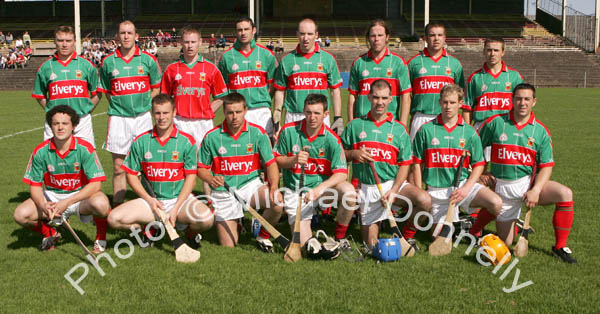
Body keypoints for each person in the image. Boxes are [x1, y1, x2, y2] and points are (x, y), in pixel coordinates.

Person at [476, 83, 576, 263]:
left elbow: (546, 166)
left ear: (534, 102)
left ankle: (560, 246)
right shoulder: (496, 123)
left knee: (565, 194)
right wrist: (482, 172)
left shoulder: (540, 131)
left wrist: (536, 190)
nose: (522, 103)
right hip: (501, 188)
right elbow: (475, 146)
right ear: (512, 100)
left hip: (527, 185)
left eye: (527, 99)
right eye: (519, 98)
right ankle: (474, 228)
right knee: (506, 244)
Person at [108, 94, 214, 248]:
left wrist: (177, 207)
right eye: (157, 113)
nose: (162, 117)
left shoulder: (186, 141)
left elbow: (191, 178)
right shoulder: (141, 141)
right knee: (113, 219)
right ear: (152, 113)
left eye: (166, 113)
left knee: (207, 219)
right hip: (151, 201)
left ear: (174, 113)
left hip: (179, 200)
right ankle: (150, 228)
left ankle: (189, 233)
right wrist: (149, 200)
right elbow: (131, 174)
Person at [342, 80, 431, 249]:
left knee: (424, 200)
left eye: (384, 98)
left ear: (391, 99)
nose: (380, 102)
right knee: (372, 245)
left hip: (392, 185)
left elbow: (405, 164)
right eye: (376, 97)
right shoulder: (354, 126)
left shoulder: (398, 129)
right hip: (367, 188)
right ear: (369, 97)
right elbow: (339, 158)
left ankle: (407, 237)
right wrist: (353, 154)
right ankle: (377, 221)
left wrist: (394, 190)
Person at [14, 105, 110, 253]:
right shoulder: (40, 151)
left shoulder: (85, 149)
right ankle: (50, 233)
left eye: (65, 123)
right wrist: (44, 204)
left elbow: (96, 184)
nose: (60, 127)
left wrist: (67, 202)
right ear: (50, 126)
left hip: (78, 197)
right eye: (55, 123)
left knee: (101, 204)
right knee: (20, 215)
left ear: (74, 126)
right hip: (52, 196)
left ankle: (100, 237)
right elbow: (35, 186)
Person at [412, 84, 502, 239]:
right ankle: (457, 223)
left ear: (460, 103)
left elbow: (479, 164)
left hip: (461, 187)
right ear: (439, 102)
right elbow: (417, 163)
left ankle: (473, 228)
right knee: (439, 237)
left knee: (496, 203)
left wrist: (466, 188)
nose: (448, 106)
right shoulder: (426, 130)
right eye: (445, 102)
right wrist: (420, 190)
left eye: (453, 102)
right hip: (436, 191)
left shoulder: (469, 132)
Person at [197, 93, 283, 251]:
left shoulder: (257, 133)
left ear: (245, 110)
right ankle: (238, 220)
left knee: (277, 201)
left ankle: (263, 235)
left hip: (251, 186)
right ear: (224, 112)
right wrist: (210, 178)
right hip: (224, 191)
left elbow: (271, 164)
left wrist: (274, 187)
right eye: (230, 112)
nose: (234, 117)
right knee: (229, 246)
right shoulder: (212, 136)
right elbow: (201, 168)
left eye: (238, 112)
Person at [274, 94, 356, 249]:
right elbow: (276, 160)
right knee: (307, 245)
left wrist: (320, 189)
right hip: (296, 191)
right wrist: (293, 160)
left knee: (349, 192)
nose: (312, 117)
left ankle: (340, 237)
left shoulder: (332, 139)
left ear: (326, 114)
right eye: (308, 112)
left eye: (317, 113)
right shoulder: (288, 131)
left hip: (321, 190)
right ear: (303, 111)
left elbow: (342, 173)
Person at [99, 20, 162, 208]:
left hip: (142, 118)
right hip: (119, 119)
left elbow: (156, 88)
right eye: (122, 33)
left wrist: (142, 105)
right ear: (117, 37)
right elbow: (108, 92)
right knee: (119, 168)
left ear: (136, 36)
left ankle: (150, 205)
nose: (126, 36)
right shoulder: (108, 62)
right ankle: (118, 209)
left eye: (129, 33)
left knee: (146, 166)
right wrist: (121, 107)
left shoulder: (148, 60)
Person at [161, 25, 228, 202]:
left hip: (203, 123)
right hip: (179, 121)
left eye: (193, 42)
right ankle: (181, 201)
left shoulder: (211, 69)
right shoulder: (171, 70)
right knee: (179, 163)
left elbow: (221, 96)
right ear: (181, 44)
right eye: (186, 42)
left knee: (205, 164)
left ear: (200, 43)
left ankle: (211, 201)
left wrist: (207, 111)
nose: (190, 46)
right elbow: (164, 99)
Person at [272, 18, 344, 136]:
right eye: (302, 34)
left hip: (319, 116)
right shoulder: (287, 60)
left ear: (316, 35)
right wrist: (277, 116)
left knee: (319, 153)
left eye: (310, 34)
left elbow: (335, 91)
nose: (306, 38)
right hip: (294, 116)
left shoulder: (328, 59)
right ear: (297, 34)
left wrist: (337, 117)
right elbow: (280, 91)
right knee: (292, 153)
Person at [32, 25, 101, 146]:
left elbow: (97, 92)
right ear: (55, 41)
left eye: (68, 41)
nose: (64, 44)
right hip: (55, 122)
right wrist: (51, 110)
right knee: (53, 160)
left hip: (81, 121)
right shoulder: (45, 67)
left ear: (74, 42)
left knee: (86, 159)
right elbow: (39, 95)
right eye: (60, 40)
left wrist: (87, 109)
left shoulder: (87, 65)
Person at [219, 17, 277, 136]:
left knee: (265, 149)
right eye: (240, 30)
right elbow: (223, 87)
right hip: (237, 112)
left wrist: (262, 98)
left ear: (254, 30)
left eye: (246, 29)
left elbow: (272, 85)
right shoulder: (226, 57)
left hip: (261, 110)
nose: (243, 33)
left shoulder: (267, 54)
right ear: (236, 32)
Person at [407, 22, 464, 141]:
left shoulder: (455, 64)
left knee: (442, 156)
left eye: (440, 35)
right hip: (421, 117)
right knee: (417, 157)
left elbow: (460, 92)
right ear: (426, 38)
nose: (436, 38)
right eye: (432, 35)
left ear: (444, 38)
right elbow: (407, 94)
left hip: (446, 117)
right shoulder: (413, 63)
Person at [348, 19, 412, 124]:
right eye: (373, 36)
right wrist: (351, 122)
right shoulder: (358, 63)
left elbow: (406, 96)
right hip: (363, 123)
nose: (376, 39)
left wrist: (403, 125)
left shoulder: (398, 63)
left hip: (390, 124)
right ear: (368, 38)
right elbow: (352, 97)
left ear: (387, 37)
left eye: (380, 35)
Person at [464, 38, 523, 130]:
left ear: (503, 52)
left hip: (507, 125)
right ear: (484, 51)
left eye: (496, 50)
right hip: (481, 125)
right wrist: (467, 131)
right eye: (489, 50)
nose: (492, 54)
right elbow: (467, 108)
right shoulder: (475, 77)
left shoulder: (515, 76)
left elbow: (520, 105)